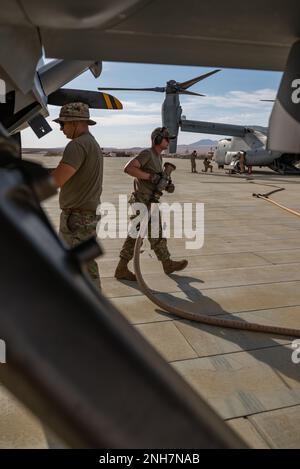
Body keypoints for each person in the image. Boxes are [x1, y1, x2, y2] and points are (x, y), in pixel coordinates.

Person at [114, 127, 188, 281]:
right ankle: (121, 268)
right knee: (135, 236)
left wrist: (166, 184)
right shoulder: (147, 153)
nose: (169, 142)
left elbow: (155, 178)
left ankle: (167, 264)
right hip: (142, 201)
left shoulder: (158, 157)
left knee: (156, 234)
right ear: (158, 139)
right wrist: (150, 177)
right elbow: (129, 168)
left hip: (150, 201)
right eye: (166, 139)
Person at [52, 102, 103, 290]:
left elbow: (55, 181)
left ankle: (95, 313)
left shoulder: (77, 145)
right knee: (83, 268)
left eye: (62, 124)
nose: (61, 129)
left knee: (83, 272)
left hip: (76, 220)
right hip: (85, 216)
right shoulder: (92, 143)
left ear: (74, 122)